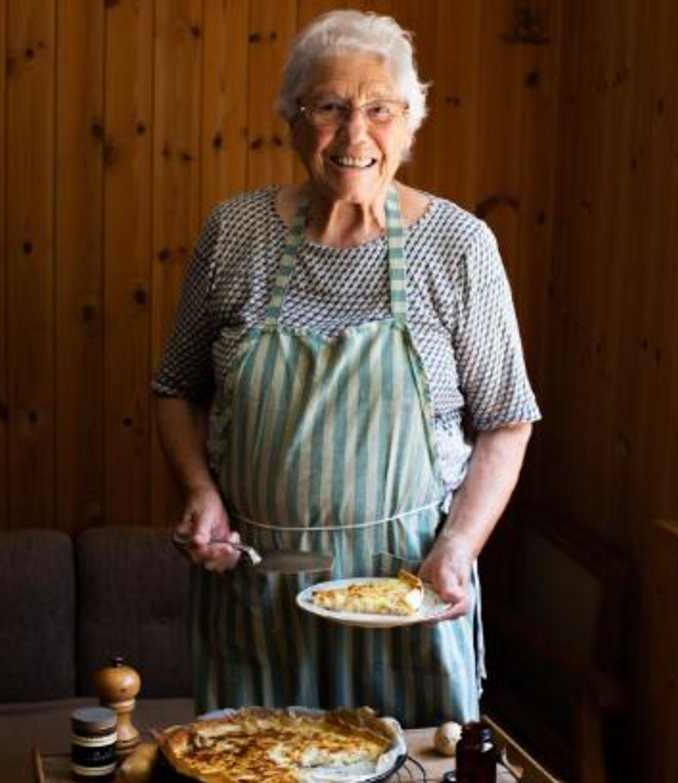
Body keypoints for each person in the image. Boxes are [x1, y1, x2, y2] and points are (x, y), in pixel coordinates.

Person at [152, 10, 540, 727]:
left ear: (411, 123)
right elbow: (178, 388)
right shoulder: (234, 234)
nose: (355, 133)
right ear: (293, 121)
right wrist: (200, 492)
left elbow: (507, 422)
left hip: (404, 598)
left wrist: (457, 548)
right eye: (329, 107)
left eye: (379, 108)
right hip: (256, 594)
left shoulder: (460, 247)